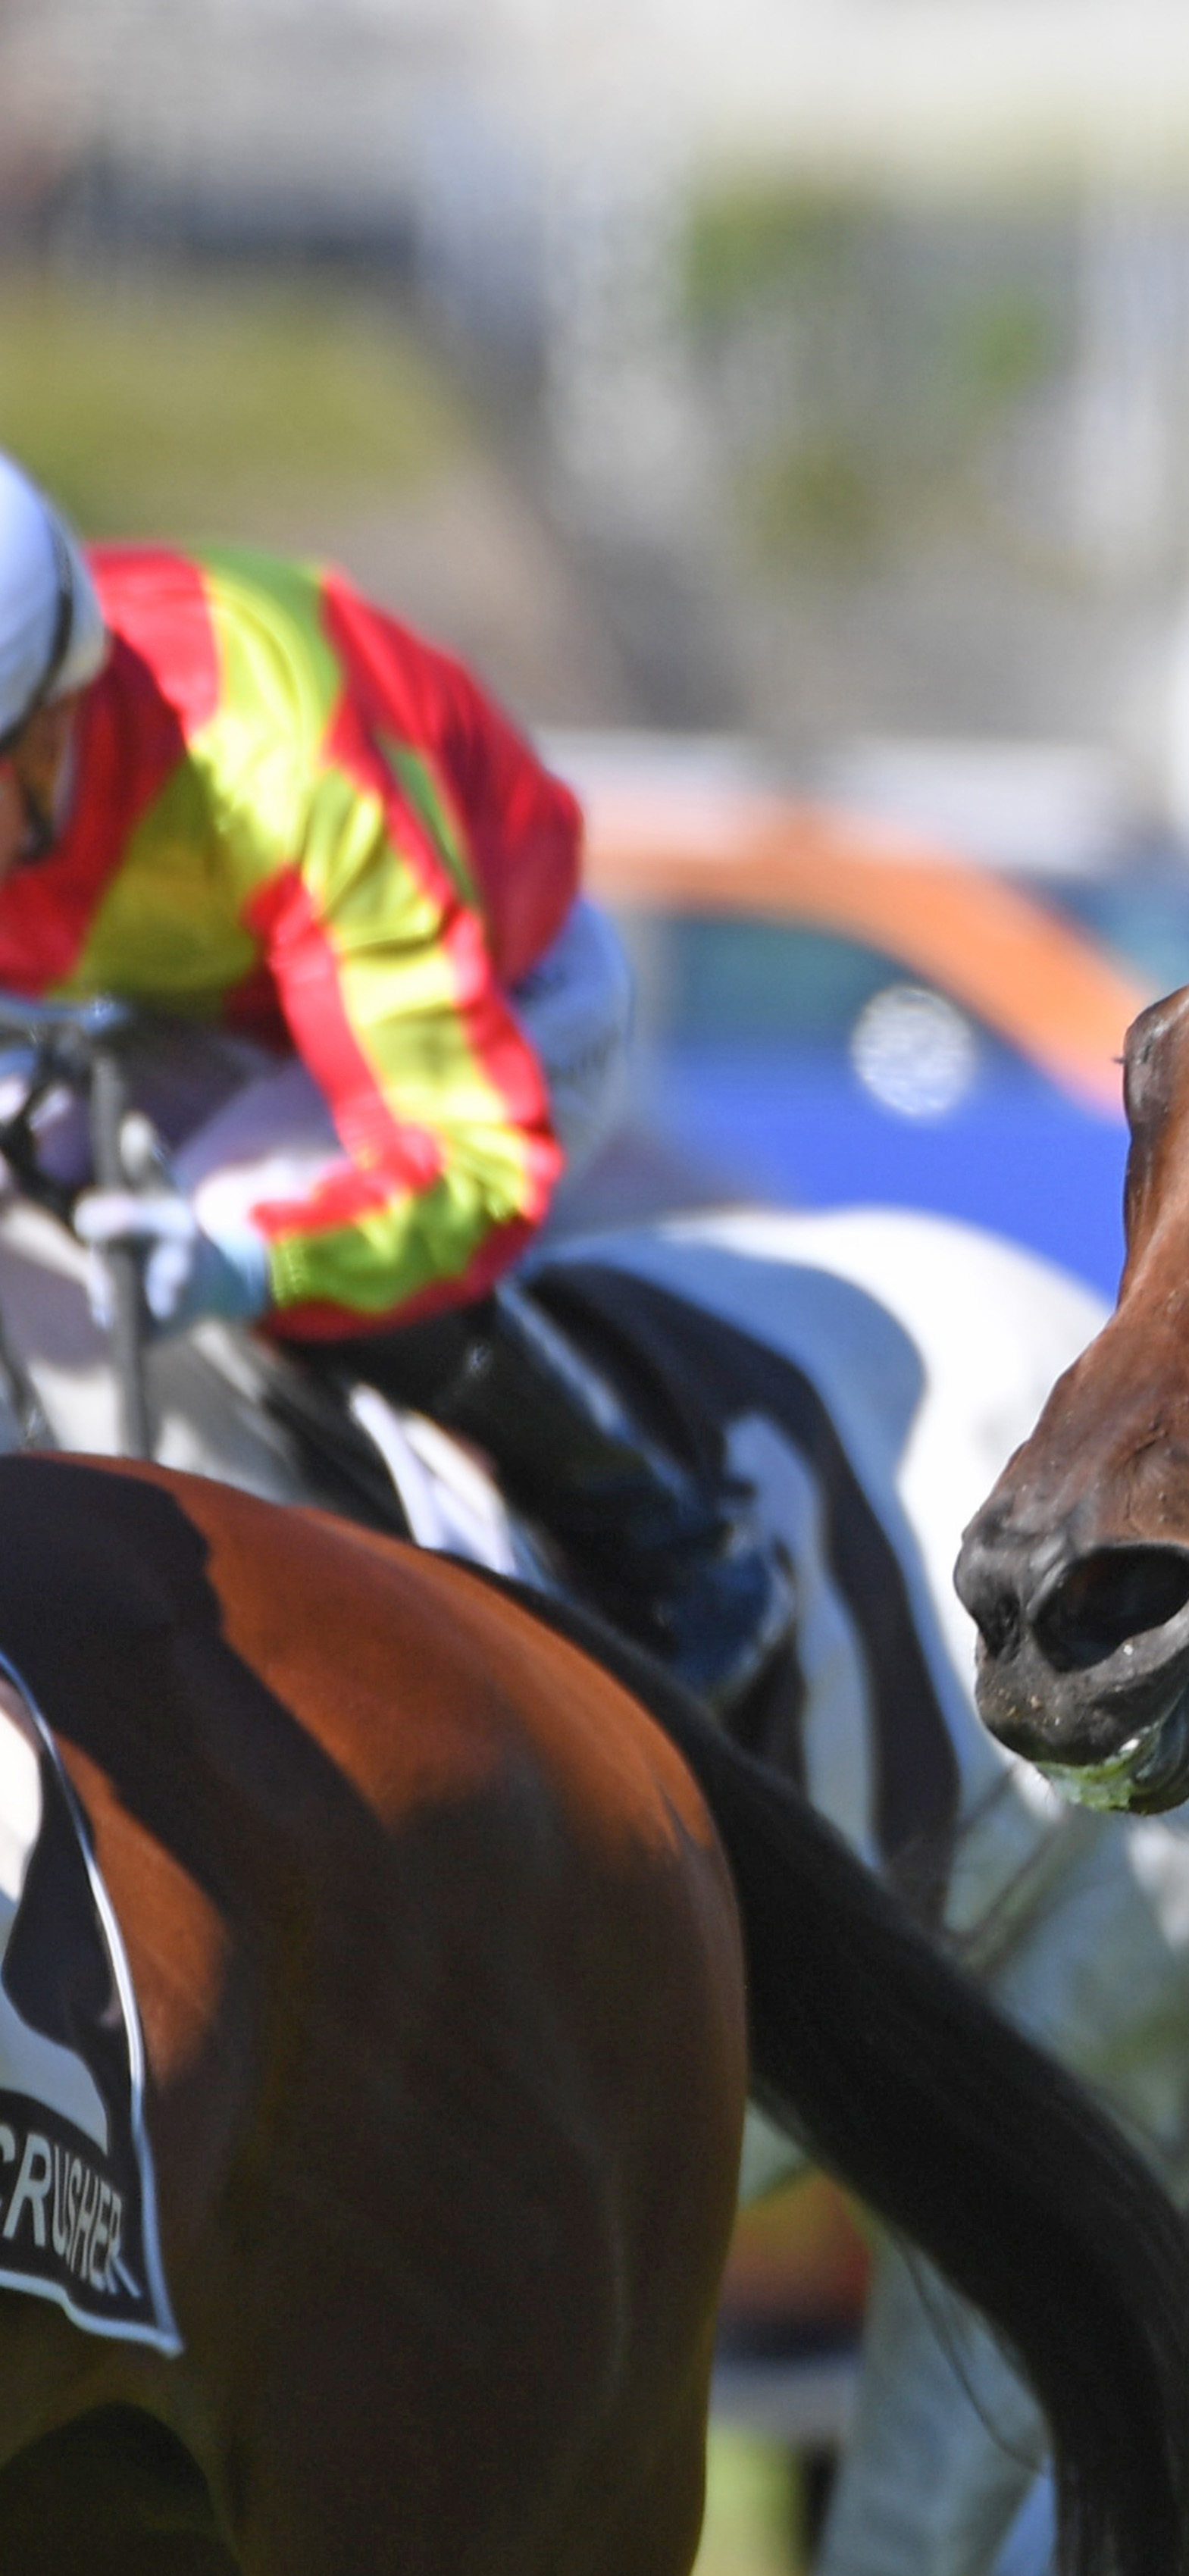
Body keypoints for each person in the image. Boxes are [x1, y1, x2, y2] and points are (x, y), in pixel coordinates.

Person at [0, 451, 790, 1705]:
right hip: (198, 1002)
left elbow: (462, 1166)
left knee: (247, 1210)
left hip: (502, 999)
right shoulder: (34, 722)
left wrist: (253, 1261)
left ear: (53, 718)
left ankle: (673, 1545)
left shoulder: (275, 764)